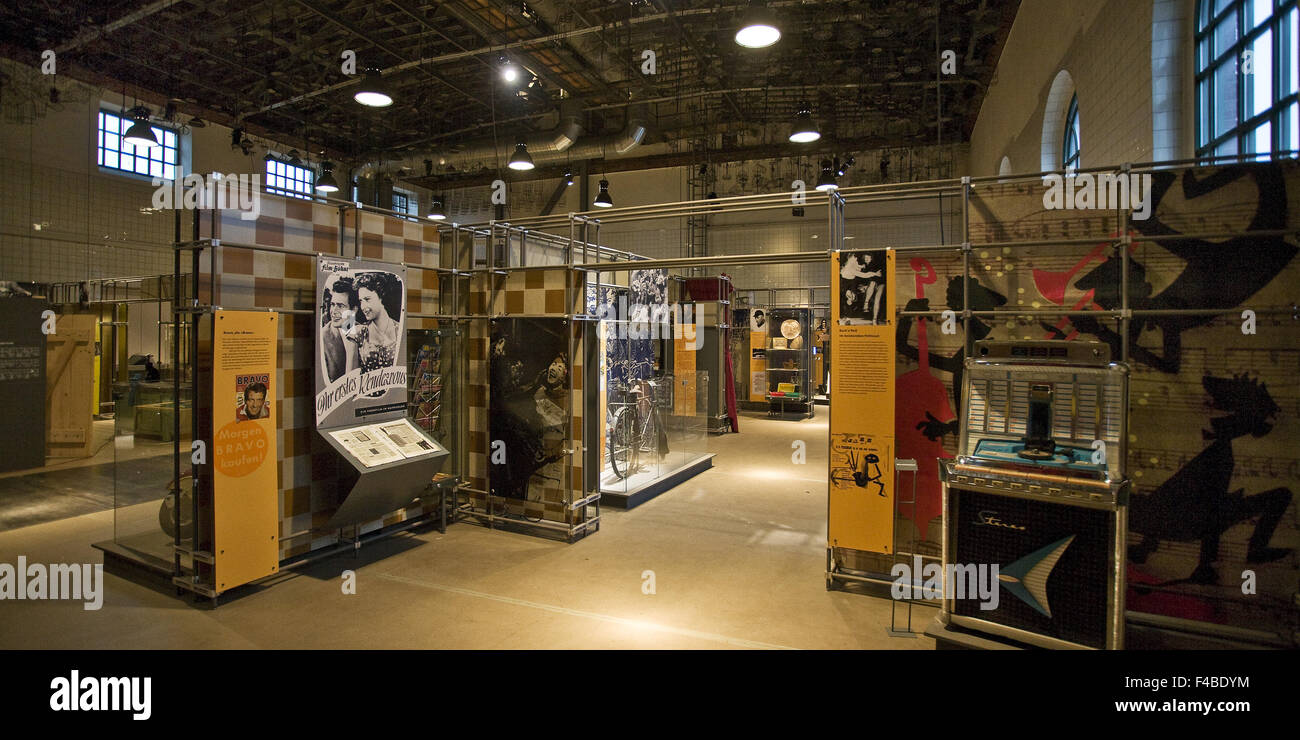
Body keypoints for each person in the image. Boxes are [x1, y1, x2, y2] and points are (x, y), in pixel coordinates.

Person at [346, 272, 400, 375]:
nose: (363, 306)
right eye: (361, 301)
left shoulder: (399, 330)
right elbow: (350, 380)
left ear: (381, 296)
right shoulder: (358, 333)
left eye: (367, 299)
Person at [323, 277, 358, 382]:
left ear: (354, 310)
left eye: (340, 306)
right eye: (332, 305)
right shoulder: (322, 337)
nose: (333, 311)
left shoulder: (364, 332)